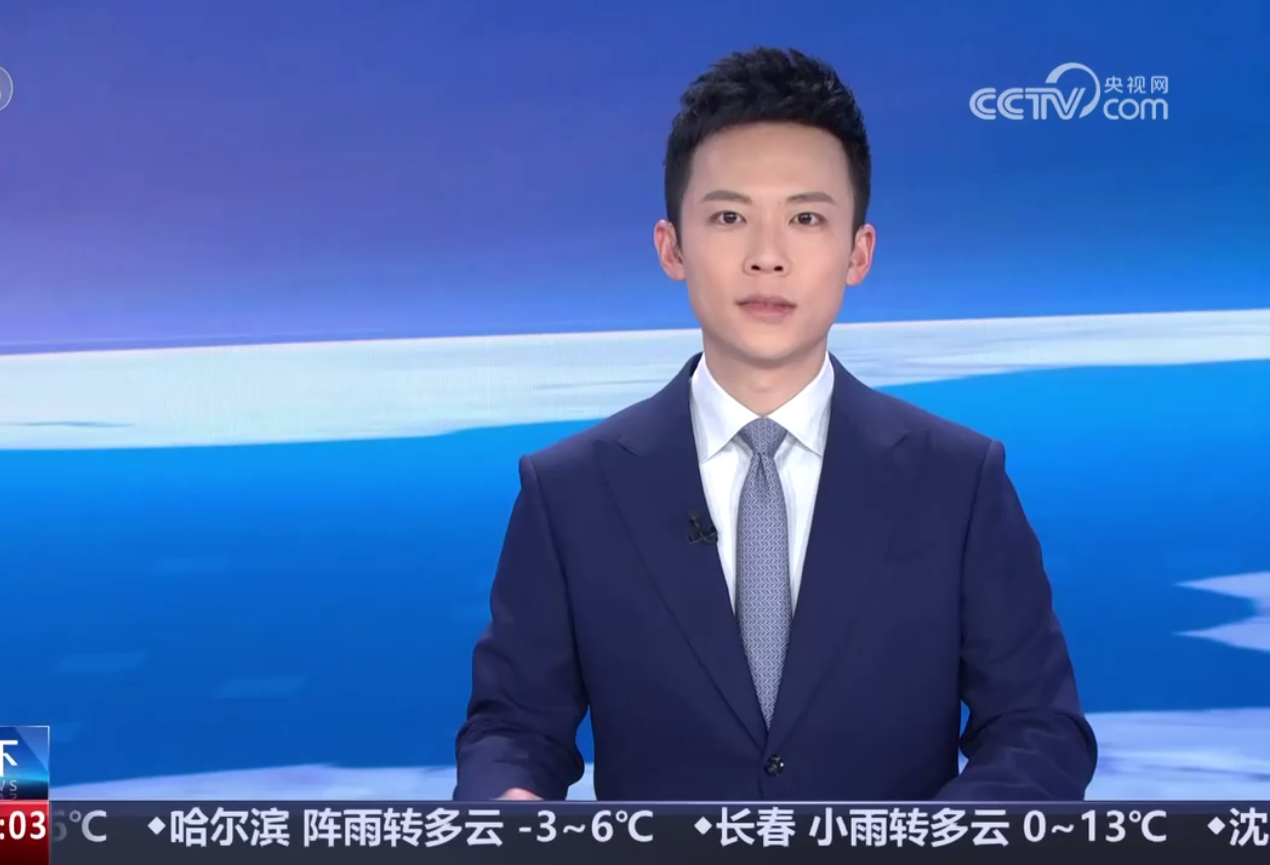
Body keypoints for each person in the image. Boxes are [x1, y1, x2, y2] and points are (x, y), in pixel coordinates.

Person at [453, 47, 1097, 803]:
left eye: (806, 218)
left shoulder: (957, 482)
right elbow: (514, 730)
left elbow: (1036, 728)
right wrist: (510, 809)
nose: (767, 257)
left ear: (858, 252)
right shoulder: (570, 491)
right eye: (729, 217)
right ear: (671, 247)